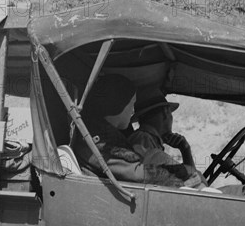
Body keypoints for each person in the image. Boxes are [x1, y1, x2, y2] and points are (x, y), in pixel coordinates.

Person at [74, 75, 202, 188]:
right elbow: (137, 174)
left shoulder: (105, 139)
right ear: (119, 104)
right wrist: (180, 180)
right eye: (131, 104)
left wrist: (181, 172)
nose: (133, 111)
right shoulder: (99, 143)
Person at [128, 90, 204, 180]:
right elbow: (192, 179)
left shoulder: (148, 140)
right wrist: (186, 150)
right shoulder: (143, 138)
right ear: (165, 112)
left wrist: (185, 149)